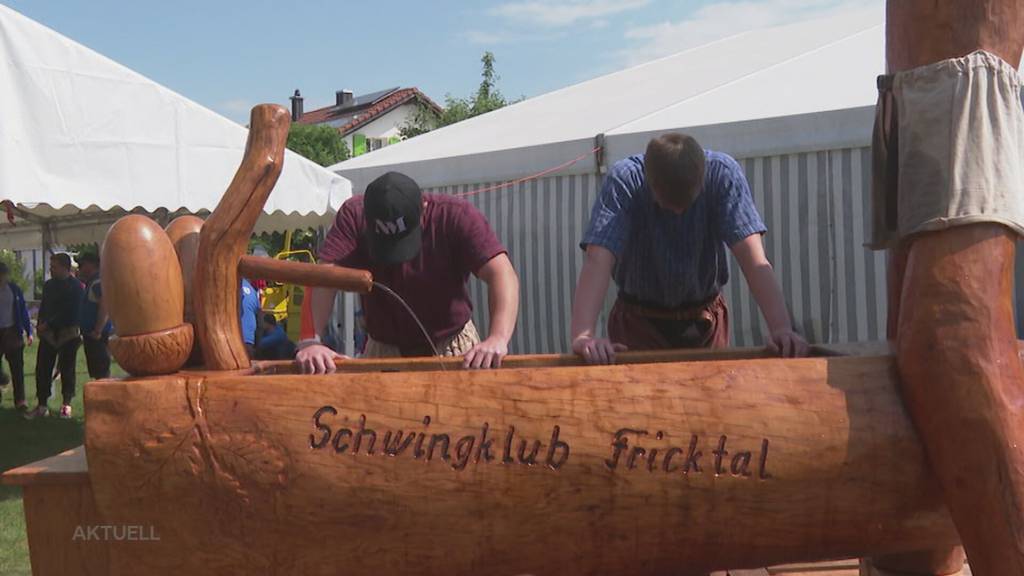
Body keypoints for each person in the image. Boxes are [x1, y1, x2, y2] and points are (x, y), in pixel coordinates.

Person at [571, 133, 808, 364]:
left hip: (704, 321)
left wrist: (781, 328)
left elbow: (754, 260)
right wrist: (583, 336)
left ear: (702, 178)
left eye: (687, 203)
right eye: (668, 205)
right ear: (650, 183)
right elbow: (597, 259)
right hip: (637, 323)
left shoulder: (722, 175)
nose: (678, 213)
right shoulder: (625, 181)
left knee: (709, 400)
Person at [297, 171, 519, 373]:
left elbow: (502, 273)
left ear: (423, 207)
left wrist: (497, 338)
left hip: (451, 345)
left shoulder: (455, 216)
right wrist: (310, 341)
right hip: (384, 348)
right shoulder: (353, 216)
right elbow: (323, 278)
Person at [26, 253, 83, 419]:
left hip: (68, 333)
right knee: (42, 369)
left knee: (67, 369)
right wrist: (40, 324)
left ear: (65, 267)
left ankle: (66, 404)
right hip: (48, 334)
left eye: (54, 267)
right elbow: (44, 306)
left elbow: (70, 312)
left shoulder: (76, 287)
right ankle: (42, 405)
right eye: (51, 267)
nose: (51, 270)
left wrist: (49, 323)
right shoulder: (49, 285)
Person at [0, 262, 33, 410]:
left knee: (17, 367)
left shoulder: (14, 290)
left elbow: (23, 311)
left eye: (3, 275)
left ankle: (20, 400)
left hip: (12, 331)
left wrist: (29, 331)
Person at [77, 252, 112, 380]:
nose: (79, 268)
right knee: (97, 372)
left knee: (101, 372)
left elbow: (105, 305)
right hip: (92, 334)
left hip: (97, 336)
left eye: (82, 265)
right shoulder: (91, 282)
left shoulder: (97, 282)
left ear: (91, 265)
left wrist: (98, 330)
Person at [239, 278, 260, 358]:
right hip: (248, 340)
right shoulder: (253, 291)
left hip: (229, 338)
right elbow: (260, 321)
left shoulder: (230, 285)